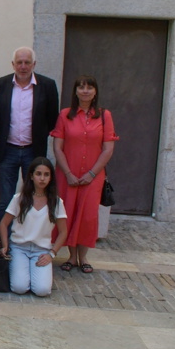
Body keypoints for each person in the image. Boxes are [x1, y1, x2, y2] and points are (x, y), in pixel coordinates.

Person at [51, 75, 117, 273]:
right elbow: (57, 147)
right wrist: (68, 173)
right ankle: (71, 257)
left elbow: (108, 149)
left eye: (89, 87)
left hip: (93, 176)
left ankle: (84, 256)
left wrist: (92, 173)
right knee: (68, 213)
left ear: (95, 91)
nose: (85, 91)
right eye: (81, 87)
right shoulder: (65, 115)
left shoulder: (104, 116)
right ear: (76, 91)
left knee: (87, 216)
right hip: (68, 175)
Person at [0, 47, 59, 223]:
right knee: (6, 200)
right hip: (8, 150)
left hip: (33, 151)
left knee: (34, 197)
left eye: (27, 62)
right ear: (13, 64)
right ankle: (5, 238)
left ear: (34, 64)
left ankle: (28, 235)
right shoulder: (2, 84)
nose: (23, 66)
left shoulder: (47, 85)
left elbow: (53, 118)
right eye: (19, 62)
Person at [0, 157, 68, 296]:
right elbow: (4, 223)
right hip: (19, 248)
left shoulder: (56, 202)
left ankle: (36, 274)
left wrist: (52, 254)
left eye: (46, 174)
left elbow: (63, 232)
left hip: (41, 250)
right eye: (38, 174)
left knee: (42, 290)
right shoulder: (19, 198)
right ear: (31, 176)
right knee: (19, 287)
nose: (42, 178)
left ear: (51, 178)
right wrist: (5, 246)